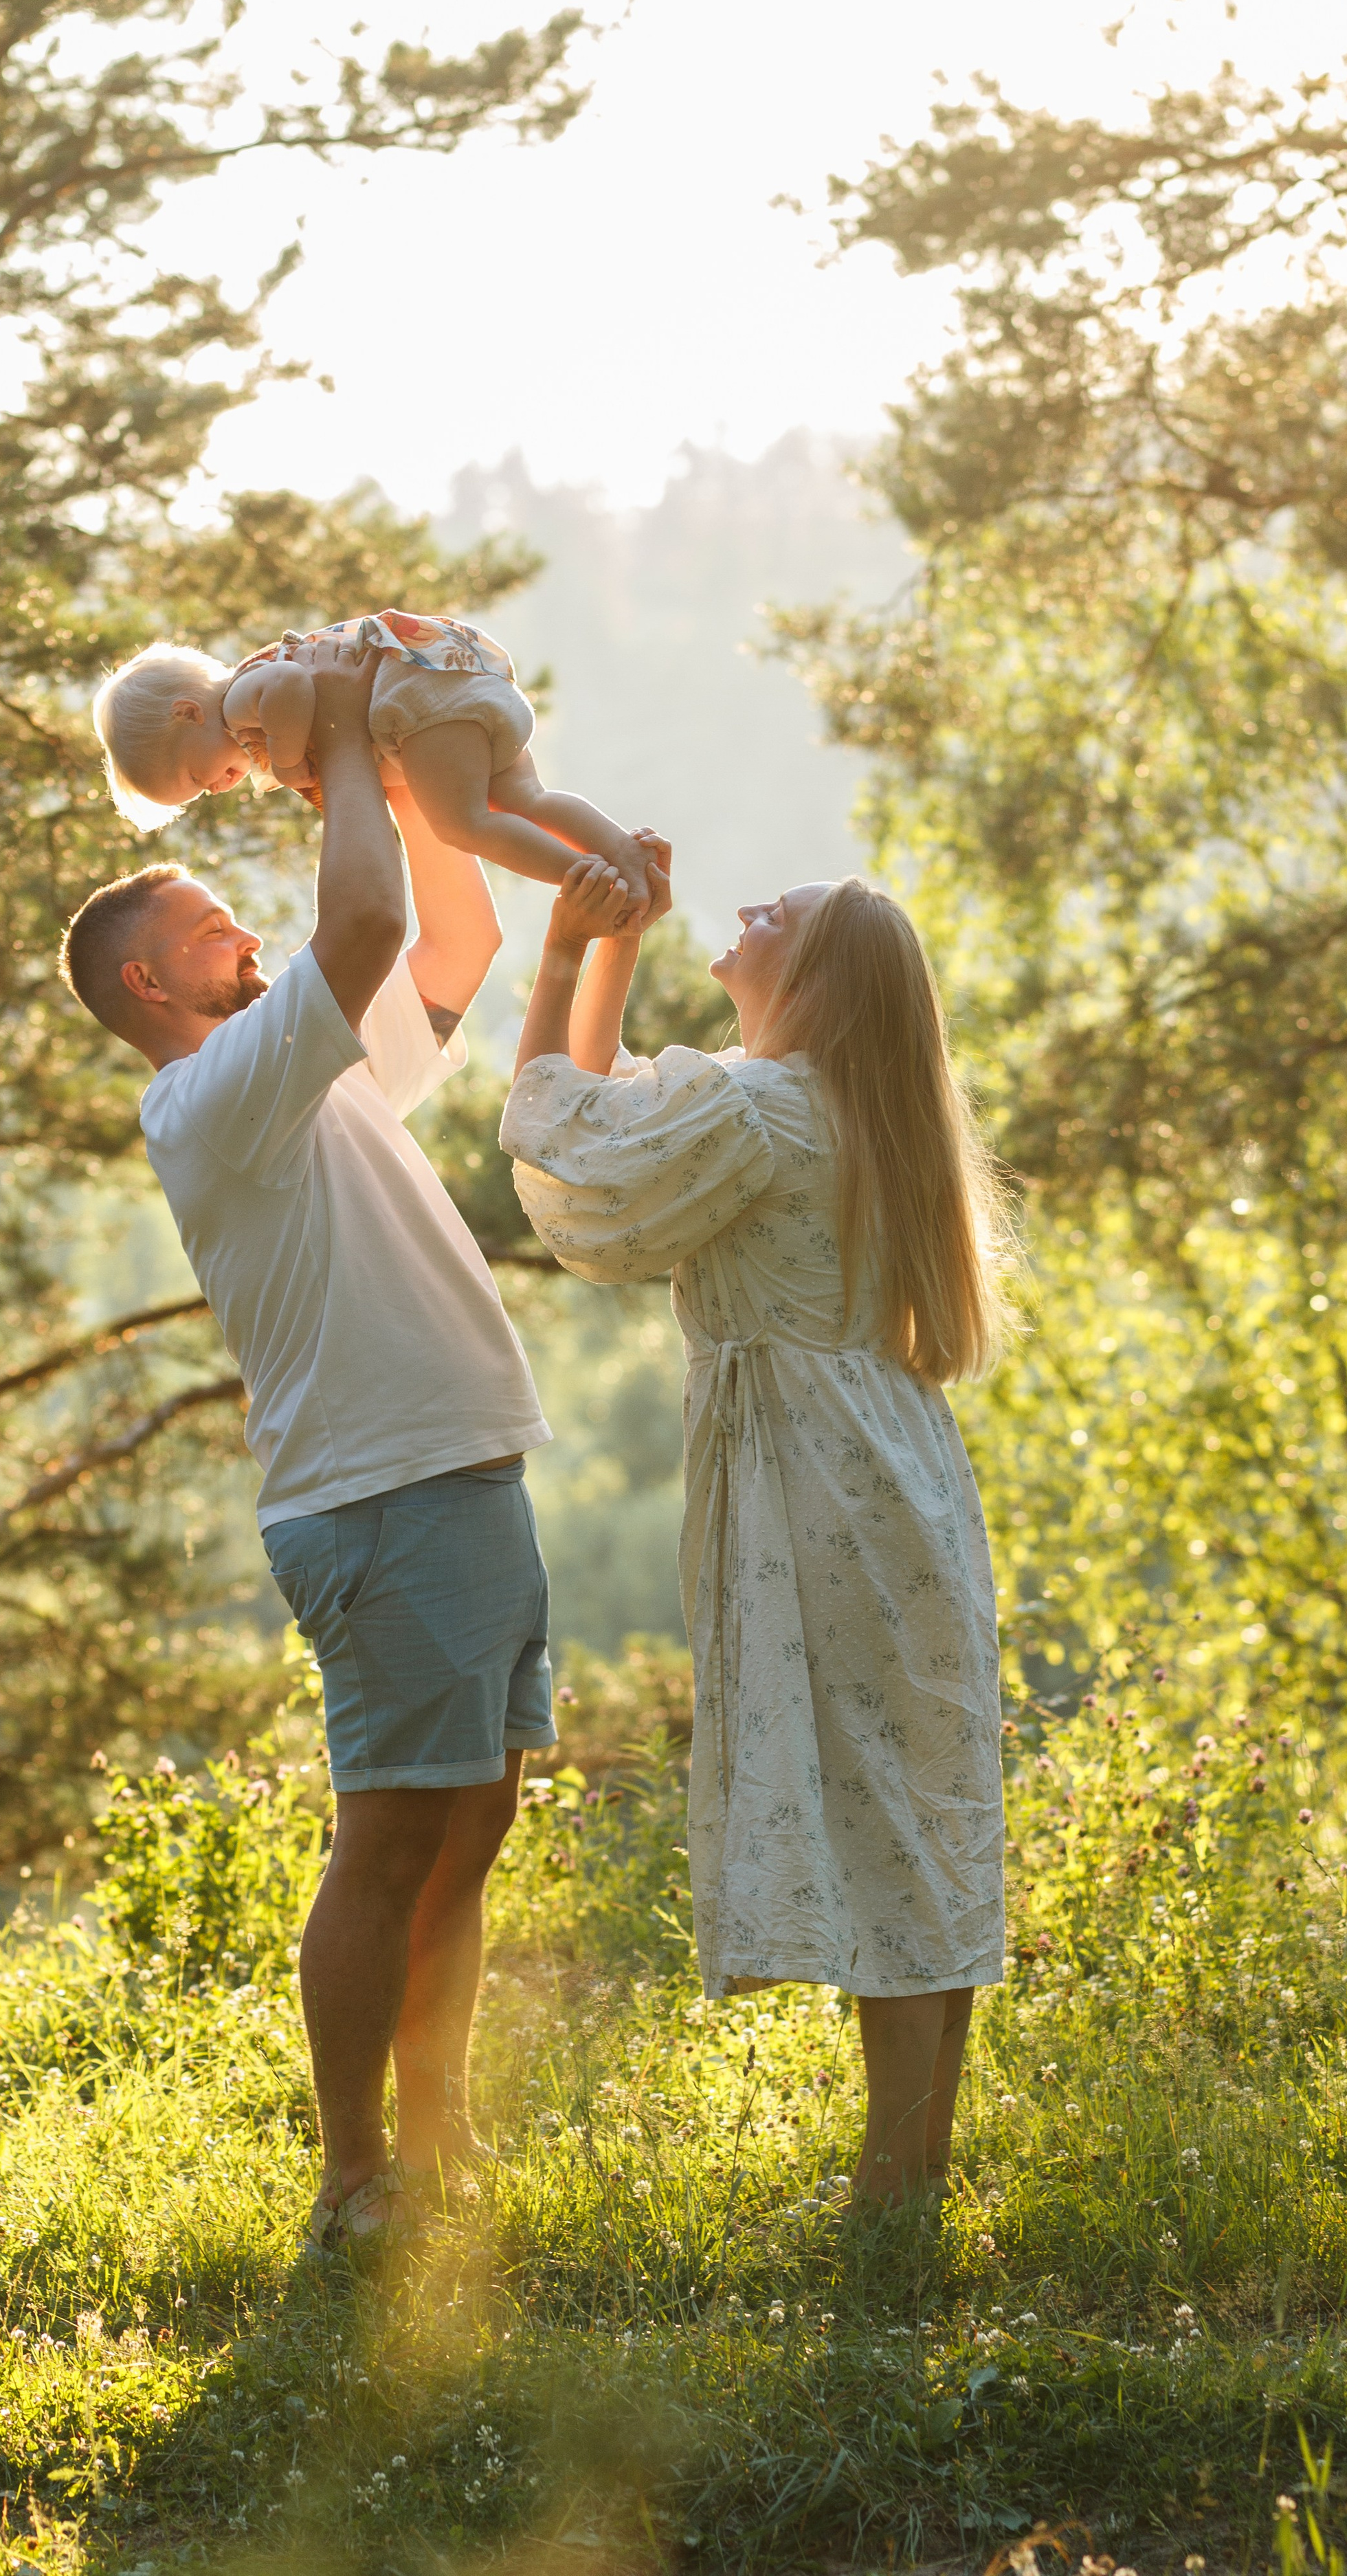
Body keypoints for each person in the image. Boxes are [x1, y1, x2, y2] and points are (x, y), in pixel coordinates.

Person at [58, 636, 564, 2246]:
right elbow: (353, 926)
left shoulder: (314, 1072)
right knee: (390, 1833)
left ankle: (438, 2136)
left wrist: (418, 778)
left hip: (458, 1469)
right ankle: (357, 2175)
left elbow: (447, 931)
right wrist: (338, 730)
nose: (247, 931)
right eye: (213, 931)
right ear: (153, 986)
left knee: (469, 1821)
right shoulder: (209, 1100)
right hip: (376, 1494)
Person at [500, 863, 1014, 2210]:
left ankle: (892, 2198)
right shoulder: (818, 1106)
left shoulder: (759, 1109)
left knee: (881, 1826)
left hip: (816, 1485)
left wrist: (559, 959)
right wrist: (611, 948)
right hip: (893, 1469)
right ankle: (907, 2172)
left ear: (822, 981)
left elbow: (564, 1144)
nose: (754, 905)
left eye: (784, 911)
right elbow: (613, 1115)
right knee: (910, 1819)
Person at [90, 609, 663, 918]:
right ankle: (620, 852)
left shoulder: (239, 700)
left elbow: (292, 685)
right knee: (523, 801)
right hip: (459, 684)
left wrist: (289, 762)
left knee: (462, 824)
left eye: (196, 778)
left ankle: (593, 884)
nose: (214, 790)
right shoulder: (240, 711)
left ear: (189, 713)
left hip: (418, 700)